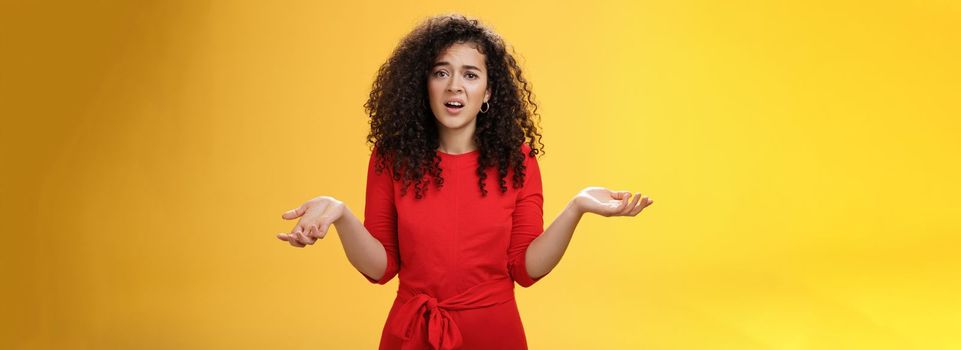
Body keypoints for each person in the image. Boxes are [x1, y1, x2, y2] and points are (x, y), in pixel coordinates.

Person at [276, 14, 653, 350]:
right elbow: (381, 267)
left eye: (470, 75)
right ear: (424, 85)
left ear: (488, 91)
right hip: (411, 336)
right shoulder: (391, 158)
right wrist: (341, 216)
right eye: (442, 72)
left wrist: (577, 207)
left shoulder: (517, 161)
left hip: (494, 335)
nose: (455, 85)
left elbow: (525, 268)